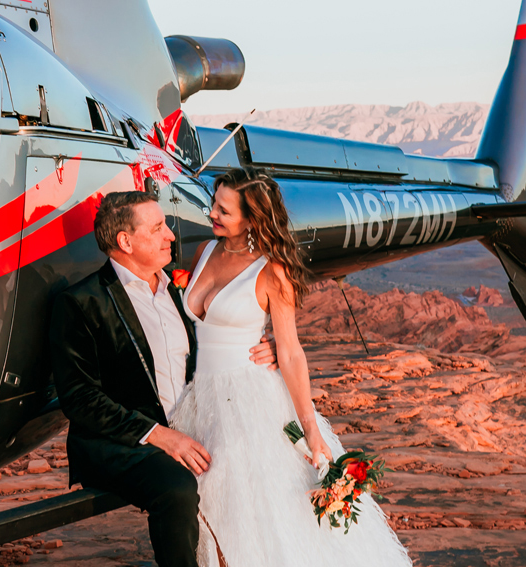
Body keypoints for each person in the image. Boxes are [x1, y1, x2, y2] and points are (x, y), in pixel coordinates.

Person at [170, 167, 412, 566]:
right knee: (203, 510)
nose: (212, 213)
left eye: (223, 211)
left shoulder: (271, 272)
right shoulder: (205, 251)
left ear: (252, 220)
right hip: (200, 402)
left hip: (249, 406)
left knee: (249, 515)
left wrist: (312, 432)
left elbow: (293, 351)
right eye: (214, 203)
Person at [49, 190, 279, 567]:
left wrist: (263, 348)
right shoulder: (82, 302)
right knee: (177, 486)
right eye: (157, 229)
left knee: (252, 458)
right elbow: (79, 398)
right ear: (125, 242)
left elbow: (213, 339)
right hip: (120, 441)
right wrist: (159, 435)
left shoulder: (180, 286)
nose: (171, 235)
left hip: (188, 423)